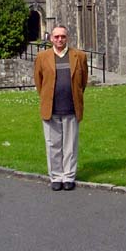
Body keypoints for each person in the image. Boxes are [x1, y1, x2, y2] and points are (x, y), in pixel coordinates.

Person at [34, 25, 88, 191]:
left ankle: (69, 176)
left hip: (71, 107)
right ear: (51, 39)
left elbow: (83, 81)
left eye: (62, 37)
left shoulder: (79, 56)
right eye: (56, 37)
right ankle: (56, 177)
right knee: (53, 145)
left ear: (67, 38)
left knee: (70, 145)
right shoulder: (42, 57)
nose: (59, 40)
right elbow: (39, 81)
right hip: (51, 108)